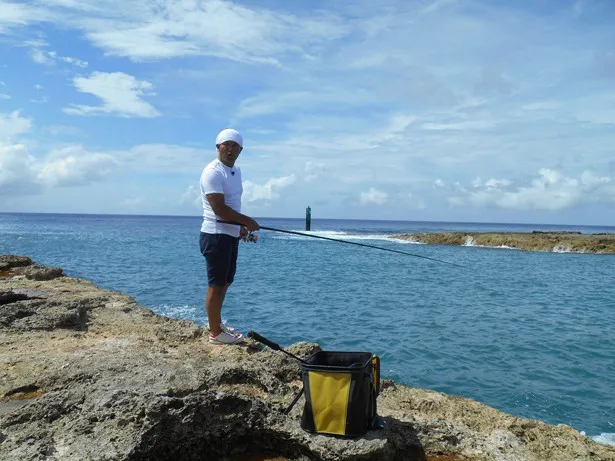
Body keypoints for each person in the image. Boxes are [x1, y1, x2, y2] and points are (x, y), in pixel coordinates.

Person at [199, 128, 260, 345]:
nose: (231, 149)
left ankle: (216, 324)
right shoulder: (213, 172)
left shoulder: (236, 171)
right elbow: (219, 209)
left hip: (229, 234)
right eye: (227, 144)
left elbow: (231, 205)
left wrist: (240, 228)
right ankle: (215, 333)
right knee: (216, 285)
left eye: (235, 146)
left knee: (225, 282)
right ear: (218, 146)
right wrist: (247, 221)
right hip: (215, 235)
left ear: (241, 150)